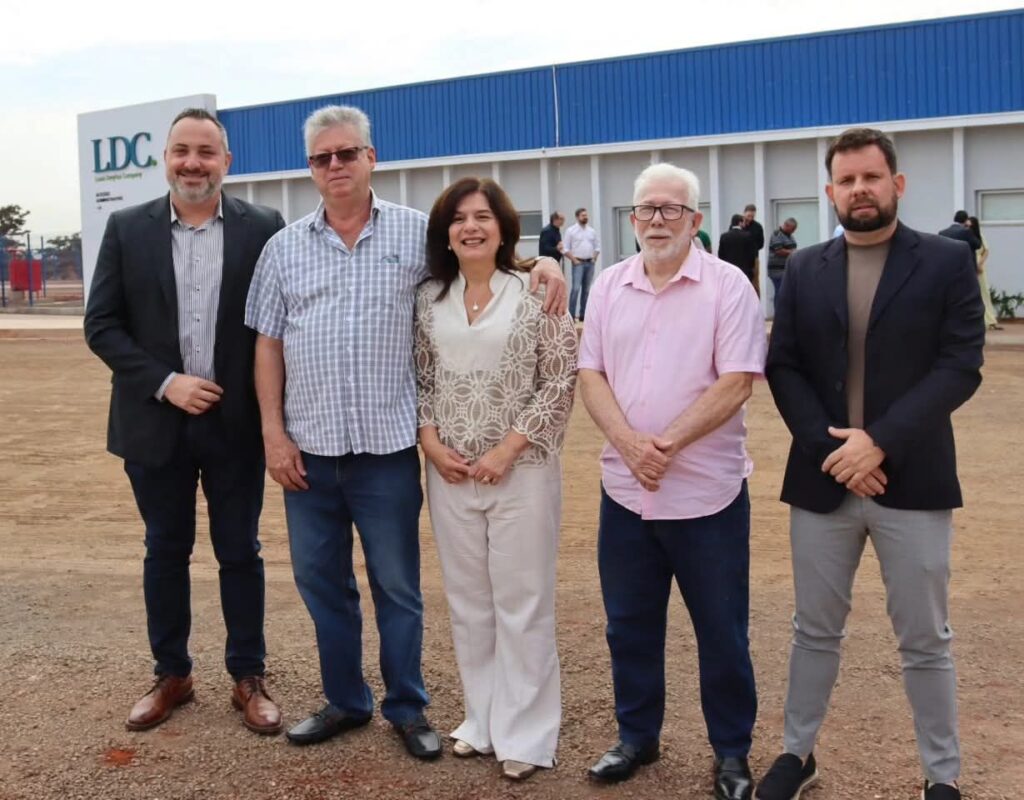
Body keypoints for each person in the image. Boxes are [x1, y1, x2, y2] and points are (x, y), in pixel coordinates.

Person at [243, 104, 566, 756]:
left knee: (397, 586)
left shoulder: (419, 234)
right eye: (322, 158)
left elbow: (482, 260)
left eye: (347, 153)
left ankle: (407, 708)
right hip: (310, 452)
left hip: (387, 450)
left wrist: (543, 265)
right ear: (310, 168)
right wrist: (273, 434)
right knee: (321, 584)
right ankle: (345, 701)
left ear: (371, 157)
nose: (335, 165)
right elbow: (268, 343)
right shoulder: (282, 249)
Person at [758, 127, 984, 800]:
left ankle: (941, 776)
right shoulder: (805, 268)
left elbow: (960, 365)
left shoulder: (945, 261)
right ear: (831, 191)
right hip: (823, 481)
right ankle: (797, 754)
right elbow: (784, 367)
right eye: (847, 180)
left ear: (897, 184)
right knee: (813, 630)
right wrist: (835, 454)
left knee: (925, 638)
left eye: (871, 177)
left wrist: (878, 441)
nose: (860, 189)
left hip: (912, 480)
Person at [84, 108, 285, 735]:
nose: (193, 163)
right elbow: (101, 326)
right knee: (165, 550)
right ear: (165, 159)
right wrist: (167, 383)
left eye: (206, 151)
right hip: (154, 424)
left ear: (227, 161)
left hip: (235, 426)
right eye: (181, 151)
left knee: (240, 551)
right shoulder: (126, 228)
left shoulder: (264, 228)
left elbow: (280, 321)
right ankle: (172, 673)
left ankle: (248, 676)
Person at [578, 163, 765, 800]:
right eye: (647, 210)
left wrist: (667, 444)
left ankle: (731, 752)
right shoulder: (609, 285)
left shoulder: (728, 286)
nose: (658, 220)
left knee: (721, 631)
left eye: (671, 209)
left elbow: (737, 381)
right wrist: (630, 446)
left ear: (695, 219)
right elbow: (590, 374)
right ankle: (637, 737)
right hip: (625, 493)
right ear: (632, 219)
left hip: (706, 497)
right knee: (628, 625)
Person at [414, 177, 578, 781]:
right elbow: (421, 379)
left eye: (483, 216)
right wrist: (431, 444)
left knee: (522, 603)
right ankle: (482, 720)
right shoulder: (429, 297)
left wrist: (507, 450)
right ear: (445, 234)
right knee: (469, 604)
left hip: (521, 472)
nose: (471, 227)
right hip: (451, 475)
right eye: (459, 219)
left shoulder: (537, 290)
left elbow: (560, 379)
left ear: (505, 227)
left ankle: (527, 735)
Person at [563, 207, 601, 321]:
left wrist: (594, 258)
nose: (585, 217)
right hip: (578, 263)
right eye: (583, 215)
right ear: (577, 217)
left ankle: (583, 315)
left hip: (590, 263)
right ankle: (571, 315)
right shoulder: (571, 231)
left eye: (586, 215)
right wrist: (573, 260)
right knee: (575, 289)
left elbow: (597, 247)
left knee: (587, 290)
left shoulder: (591, 231)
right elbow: (565, 248)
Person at [967, 215, 1001, 330]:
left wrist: (980, 264)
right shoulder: (966, 236)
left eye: (970, 225)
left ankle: (989, 319)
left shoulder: (980, 236)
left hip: (979, 265)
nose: (968, 227)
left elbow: (986, 251)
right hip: (969, 264)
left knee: (984, 292)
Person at [718, 213, 759, 290]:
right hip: (744, 271)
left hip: (729, 271)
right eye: (743, 222)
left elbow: (721, 255)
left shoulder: (724, 236)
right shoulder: (748, 236)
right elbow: (751, 255)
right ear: (740, 223)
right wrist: (751, 269)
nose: (745, 224)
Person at [767, 218, 798, 304]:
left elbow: (792, 247)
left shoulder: (790, 235)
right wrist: (793, 252)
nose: (794, 231)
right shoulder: (777, 234)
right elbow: (778, 250)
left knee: (787, 293)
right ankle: (778, 311)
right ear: (786, 226)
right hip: (777, 270)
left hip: (786, 269)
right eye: (792, 229)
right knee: (780, 292)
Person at [742, 203, 765, 296]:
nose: (750, 218)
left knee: (755, 282)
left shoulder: (757, 227)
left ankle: (756, 301)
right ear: (744, 213)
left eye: (752, 216)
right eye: (748, 216)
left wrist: (752, 248)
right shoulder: (739, 225)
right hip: (740, 257)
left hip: (754, 258)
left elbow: (761, 243)